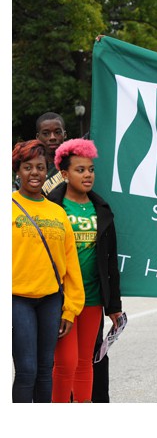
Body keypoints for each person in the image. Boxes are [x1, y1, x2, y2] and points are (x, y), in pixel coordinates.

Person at [48, 138, 123, 403]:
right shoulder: (52, 208)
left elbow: (111, 261)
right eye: (80, 170)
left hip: (92, 298)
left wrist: (114, 304)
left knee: (85, 362)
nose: (88, 175)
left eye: (90, 169)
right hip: (61, 300)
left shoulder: (101, 209)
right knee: (64, 364)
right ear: (64, 174)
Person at [12, 140, 84, 402]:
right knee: (27, 371)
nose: (34, 173)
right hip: (17, 299)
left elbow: (70, 264)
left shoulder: (58, 212)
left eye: (40, 167)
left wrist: (70, 308)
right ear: (17, 171)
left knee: (45, 370)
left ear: (47, 171)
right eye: (27, 167)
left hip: (51, 300)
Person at [35, 111, 68, 195]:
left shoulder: (75, 163)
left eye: (57, 132)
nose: (52, 137)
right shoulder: (32, 168)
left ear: (65, 135)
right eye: (46, 133)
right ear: (38, 137)